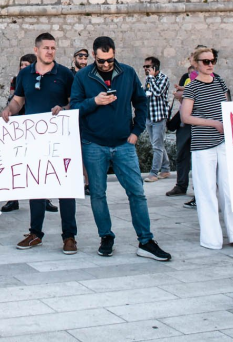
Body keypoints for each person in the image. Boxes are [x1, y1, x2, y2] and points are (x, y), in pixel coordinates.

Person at [70, 36, 170, 261]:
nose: (106, 65)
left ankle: (146, 240)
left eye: (110, 60)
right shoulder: (83, 76)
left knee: (137, 192)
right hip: (93, 143)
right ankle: (106, 236)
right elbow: (74, 107)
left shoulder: (127, 73)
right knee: (98, 194)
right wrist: (94, 102)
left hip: (124, 143)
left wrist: (136, 132)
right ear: (94, 56)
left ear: (114, 54)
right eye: (101, 61)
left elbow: (141, 102)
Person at [1, 33, 79, 253]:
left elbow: (75, 100)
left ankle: (69, 236)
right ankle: (35, 233)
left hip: (60, 139)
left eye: (53, 48)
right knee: (35, 186)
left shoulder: (65, 74)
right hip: (34, 139)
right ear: (36, 50)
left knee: (65, 189)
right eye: (46, 48)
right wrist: (9, 110)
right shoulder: (24, 74)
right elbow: (18, 100)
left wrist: (63, 109)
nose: (50, 51)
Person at [182, 46, 233, 249]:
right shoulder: (192, 87)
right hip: (202, 144)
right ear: (196, 63)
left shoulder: (220, 81)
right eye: (205, 61)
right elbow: (186, 116)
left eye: (212, 60)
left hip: (224, 141)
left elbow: (226, 106)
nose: (210, 65)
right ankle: (211, 238)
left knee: (229, 189)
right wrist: (213, 123)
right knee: (205, 190)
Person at [0, 53, 37, 214]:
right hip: (17, 123)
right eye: (21, 64)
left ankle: (44, 198)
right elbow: (13, 99)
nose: (23, 67)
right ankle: (12, 199)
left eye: (26, 64)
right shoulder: (17, 80)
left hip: (33, 124)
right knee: (14, 162)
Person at [166, 65, 196, 203]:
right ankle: (181, 184)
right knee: (182, 154)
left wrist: (183, 94)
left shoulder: (212, 79)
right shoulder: (186, 77)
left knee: (198, 157)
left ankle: (198, 189)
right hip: (184, 120)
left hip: (199, 121)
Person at [142, 56, 172, 183]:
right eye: (144, 67)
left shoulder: (163, 78)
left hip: (159, 117)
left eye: (147, 67)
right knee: (157, 145)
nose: (145, 69)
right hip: (149, 116)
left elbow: (158, 92)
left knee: (157, 147)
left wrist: (151, 77)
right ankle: (165, 169)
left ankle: (154, 173)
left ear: (155, 67)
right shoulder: (148, 79)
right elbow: (147, 92)